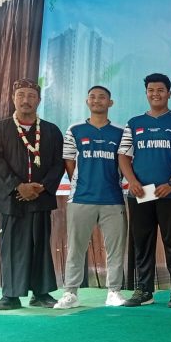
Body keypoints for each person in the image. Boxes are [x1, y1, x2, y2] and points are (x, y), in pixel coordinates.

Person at [0, 79, 65, 310]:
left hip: (41, 196)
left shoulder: (51, 130)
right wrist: (17, 186)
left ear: (39, 100)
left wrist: (42, 186)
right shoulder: (0, 129)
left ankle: (41, 294)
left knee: (41, 245)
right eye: (21, 95)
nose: (26, 100)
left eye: (31, 95)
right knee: (13, 247)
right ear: (13, 98)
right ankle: (10, 296)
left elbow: (59, 162)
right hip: (13, 199)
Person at [118, 73, 171, 308]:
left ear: (169, 93)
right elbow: (124, 156)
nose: (155, 94)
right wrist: (132, 182)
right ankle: (144, 290)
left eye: (160, 90)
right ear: (146, 93)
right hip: (141, 193)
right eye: (151, 90)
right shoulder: (134, 123)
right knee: (142, 242)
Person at [53, 85, 127, 309]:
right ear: (87, 102)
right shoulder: (75, 130)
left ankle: (114, 291)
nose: (97, 100)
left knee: (115, 249)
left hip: (113, 199)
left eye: (102, 97)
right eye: (92, 97)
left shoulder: (121, 132)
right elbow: (68, 161)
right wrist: (82, 182)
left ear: (110, 103)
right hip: (81, 198)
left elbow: (125, 162)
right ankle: (70, 293)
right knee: (76, 248)